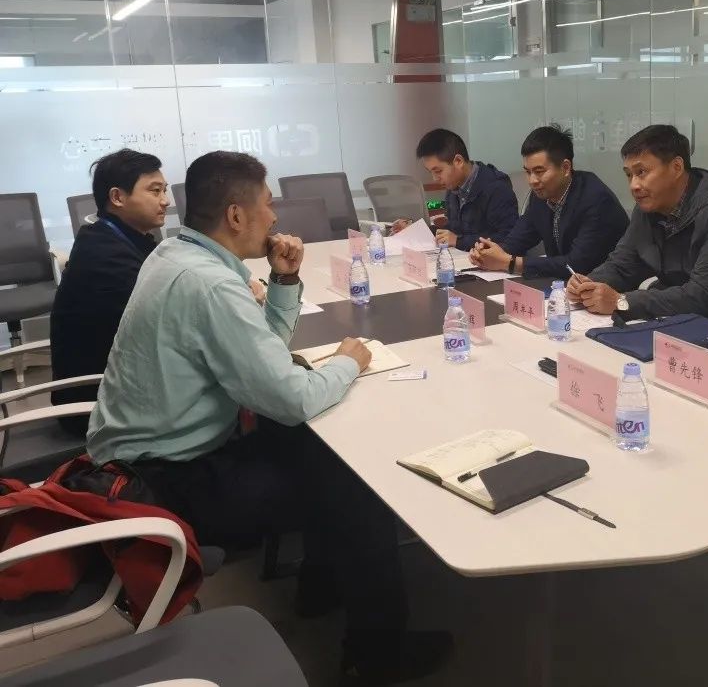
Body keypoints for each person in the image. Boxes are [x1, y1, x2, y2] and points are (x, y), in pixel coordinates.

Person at [86, 151, 450, 684]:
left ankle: (320, 587)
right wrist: (350, 362)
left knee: (312, 449)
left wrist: (284, 281)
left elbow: (264, 361)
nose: (275, 217)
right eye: (268, 204)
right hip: (163, 483)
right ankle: (379, 655)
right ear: (236, 215)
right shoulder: (211, 285)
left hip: (143, 458)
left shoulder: (175, 255)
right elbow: (291, 397)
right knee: (356, 489)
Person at [567, 125, 708, 322]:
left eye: (641, 172)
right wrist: (588, 284)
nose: (634, 185)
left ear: (677, 167)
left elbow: (700, 295)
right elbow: (623, 266)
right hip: (680, 320)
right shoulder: (648, 209)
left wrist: (622, 301)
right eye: (629, 175)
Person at [50, 149, 169, 437]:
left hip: (122, 384)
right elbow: (168, 323)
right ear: (117, 197)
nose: (165, 200)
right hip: (98, 407)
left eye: (165, 190)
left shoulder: (115, 236)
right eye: (155, 191)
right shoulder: (105, 258)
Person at [468, 125, 628, 279]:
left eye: (539, 172)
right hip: (564, 286)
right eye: (528, 172)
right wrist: (489, 252)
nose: (532, 180)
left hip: (604, 287)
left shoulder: (596, 199)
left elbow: (576, 265)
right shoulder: (541, 195)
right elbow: (517, 240)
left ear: (565, 168)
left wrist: (510, 263)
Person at [394, 128, 518, 248]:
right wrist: (416, 231)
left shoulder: (497, 188)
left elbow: (508, 238)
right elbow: (453, 231)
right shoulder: (454, 187)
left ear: (458, 161)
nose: (435, 178)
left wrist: (458, 241)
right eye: (430, 172)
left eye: (438, 171)